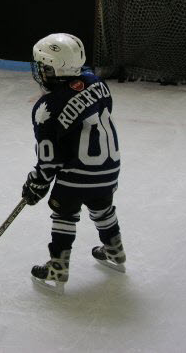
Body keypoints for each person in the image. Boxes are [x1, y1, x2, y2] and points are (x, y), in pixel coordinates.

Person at [21, 33, 126, 294]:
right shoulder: (97, 82)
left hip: (77, 175)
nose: (39, 72)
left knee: (64, 212)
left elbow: (49, 159)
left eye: (42, 67)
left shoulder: (46, 109)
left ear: (53, 69)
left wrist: (37, 183)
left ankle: (58, 266)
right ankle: (114, 250)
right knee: (102, 207)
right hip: (110, 169)